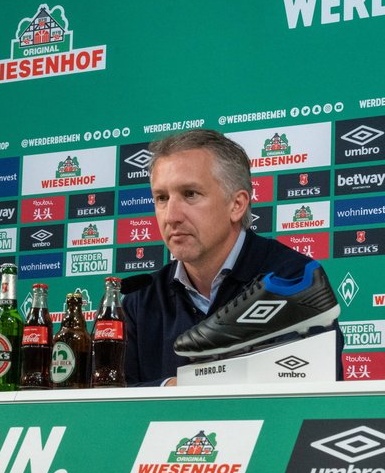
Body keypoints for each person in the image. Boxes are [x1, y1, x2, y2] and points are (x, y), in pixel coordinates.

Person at [122, 129, 327, 386]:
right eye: (161, 198)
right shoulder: (139, 299)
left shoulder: (294, 281)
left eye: (190, 194)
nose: (171, 216)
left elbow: (310, 393)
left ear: (237, 204)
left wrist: (188, 388)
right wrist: (172, 388)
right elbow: (105, 402)